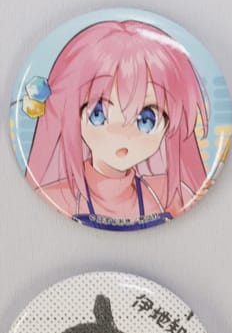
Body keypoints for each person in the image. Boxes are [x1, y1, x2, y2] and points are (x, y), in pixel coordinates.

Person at [23, 19, 210, 230]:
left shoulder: (172, 195)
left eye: (146, 120)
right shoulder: (57, 196)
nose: (122, 134)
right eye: (98, 114)